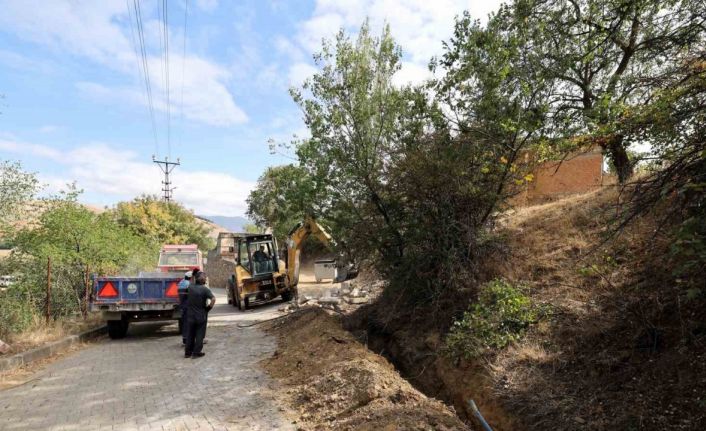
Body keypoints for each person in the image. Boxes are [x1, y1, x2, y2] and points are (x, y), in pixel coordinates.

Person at [184, 270, 215, 359]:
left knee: (190, 334)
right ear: (201, 279)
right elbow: (213, 299)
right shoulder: (205, 289)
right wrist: (208, 308)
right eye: (204, 277)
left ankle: (187, 353)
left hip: (190, 315)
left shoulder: (190, 287)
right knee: (199, 334)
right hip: (200, 315)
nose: (205, 279)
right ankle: (196, 352)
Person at [177, 271, 192, 344]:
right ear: (190, 277)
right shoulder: (188, 284)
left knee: (184, 323)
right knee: (188, 323)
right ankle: (187, 340)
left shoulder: (181, 283)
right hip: (187, 306)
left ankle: (184, 339)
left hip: (182, 305)